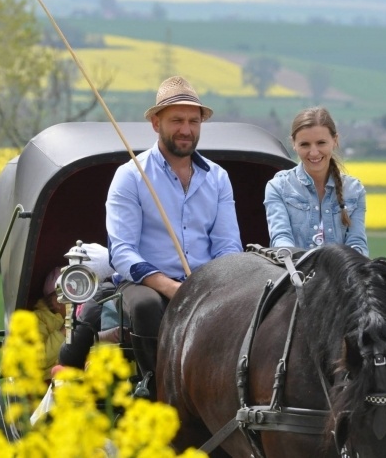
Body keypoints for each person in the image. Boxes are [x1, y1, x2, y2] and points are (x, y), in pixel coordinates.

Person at [106, 75, 242, 398]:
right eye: (176, 120)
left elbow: (228, 246)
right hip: (146, 284)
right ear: (156, 123)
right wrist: (172, 287)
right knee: (145, 309)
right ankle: (155, 387)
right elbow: (122, 252)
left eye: (193, 121)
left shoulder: (218, 178)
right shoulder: (130, 176)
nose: (186, 129)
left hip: (204, 281)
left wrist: (220, 286)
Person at [264, 107, 368, 255]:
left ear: (335, 140)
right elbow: (281, 239)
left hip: (342, 275)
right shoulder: (278, 187)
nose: (313, 152)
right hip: (295, 274)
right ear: (294, 144)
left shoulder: (354, 190)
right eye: (305, 144)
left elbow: (357, 244)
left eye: (321, 143)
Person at [33, 268, 66, 381]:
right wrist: (64, 331)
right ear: (57, 302)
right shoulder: (37, 319)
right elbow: (40, 360)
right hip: (48, 381)